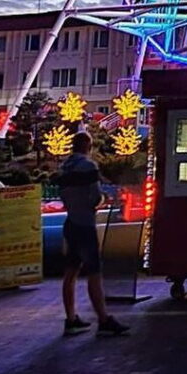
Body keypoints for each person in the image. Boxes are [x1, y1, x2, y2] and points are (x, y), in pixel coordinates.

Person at [57, 131, 129, 337]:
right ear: (88, 147)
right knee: (94, 273)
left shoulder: (64, 169)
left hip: (70, 222)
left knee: (70, 272)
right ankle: (104, 319)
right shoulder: (88, 167)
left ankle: (71, 319)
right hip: (85, 224)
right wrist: (101, 201)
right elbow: (95, 196)